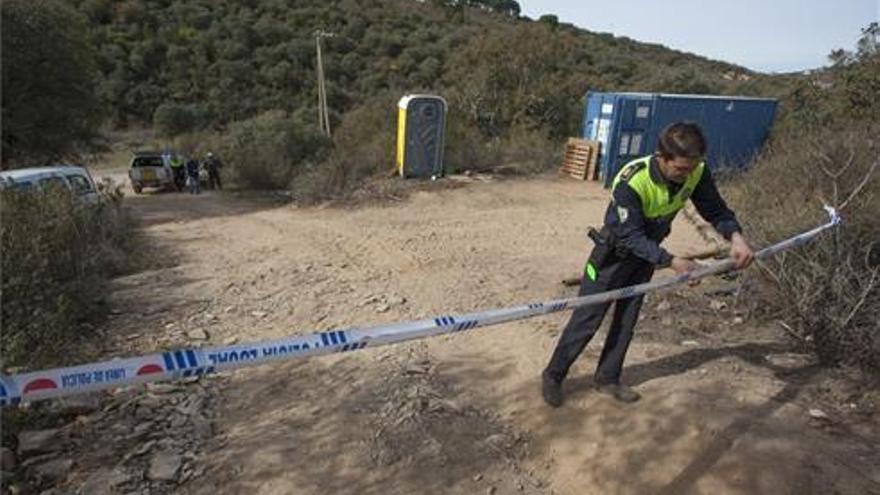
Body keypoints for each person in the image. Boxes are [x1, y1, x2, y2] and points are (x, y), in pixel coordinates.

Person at [541, 122, 754, 407]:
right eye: (679, 169)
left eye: (691, 168)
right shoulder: (632, 180)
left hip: (645, 260)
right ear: (661, 157)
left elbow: (715, 209)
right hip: (612, 258)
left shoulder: (696, 172)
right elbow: (630, 236)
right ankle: (553, 376)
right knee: (587, 319)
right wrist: (671, 261)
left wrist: (736, 238)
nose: (685, 176)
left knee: (626, 321)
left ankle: (608, 379)